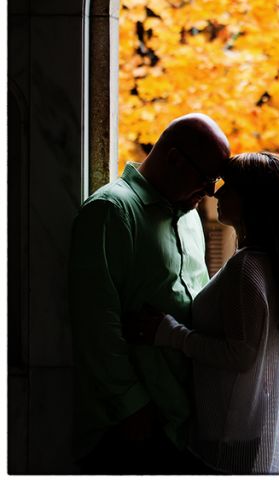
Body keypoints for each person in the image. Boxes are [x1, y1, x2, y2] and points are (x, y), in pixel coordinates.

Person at [124, 151, 279, 474]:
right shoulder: (270, 263)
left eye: (230, 186)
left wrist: (169, 334)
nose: (217, 192)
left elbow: (241, 354)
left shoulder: (247, 268)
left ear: (254, 200)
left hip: (227, 437)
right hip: (244, 430)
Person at [68, 113, 230, 473]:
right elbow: (96, 324)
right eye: (205, 177)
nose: (210, 191)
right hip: (131, 432)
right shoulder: (110, 212)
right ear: (173, 158)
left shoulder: (190, 217)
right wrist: (133, 408)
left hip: (185, 423)